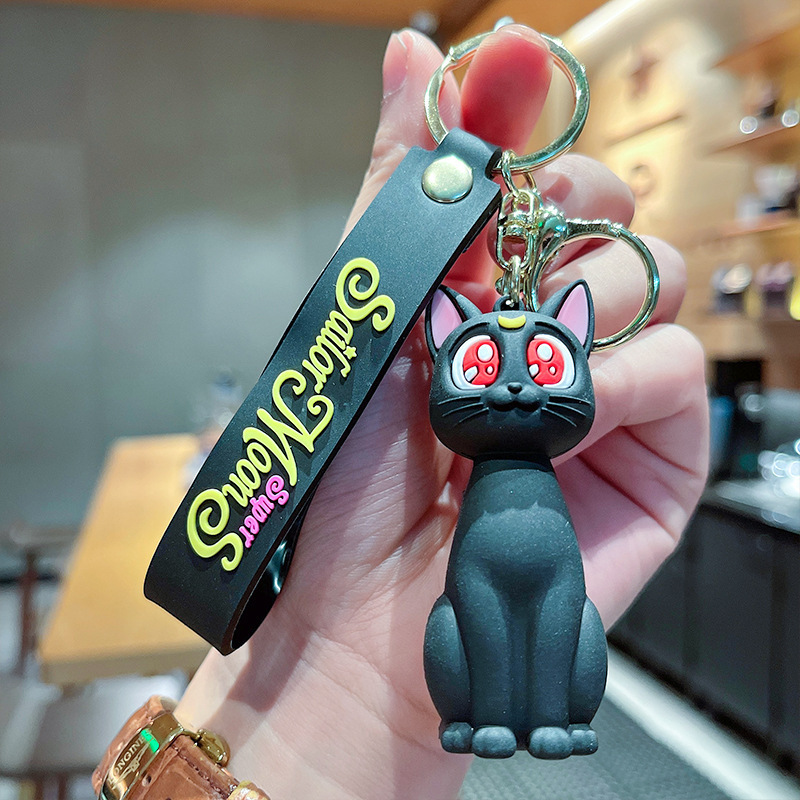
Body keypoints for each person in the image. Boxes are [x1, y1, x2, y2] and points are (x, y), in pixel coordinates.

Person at [175, 24, 709, 800]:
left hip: (528, 626)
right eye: (484, 366)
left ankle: (551, 713)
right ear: (442, 343)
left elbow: (562, 596)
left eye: (546, 365)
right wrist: (323, 680)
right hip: (415, 660)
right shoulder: (436, 342)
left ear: (579, 340)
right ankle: (488, 707)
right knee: (465, 612)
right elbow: (474, 593)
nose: (517, 388)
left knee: (571, 618)